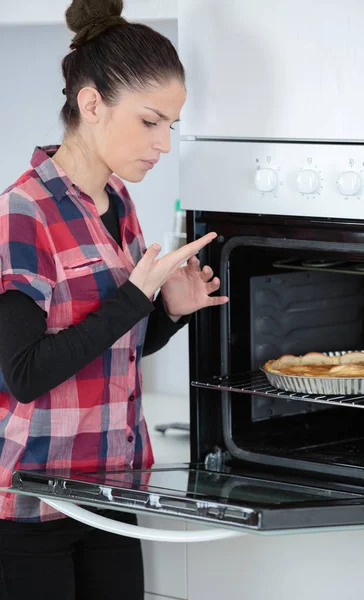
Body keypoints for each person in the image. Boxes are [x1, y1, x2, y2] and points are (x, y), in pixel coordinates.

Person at [0, 1, 228, 598]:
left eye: (171, 126)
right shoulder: (22, 214)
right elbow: (24, 374)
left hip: (112, 490)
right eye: (151, 121)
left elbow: (118, 351)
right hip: (30, 506)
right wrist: (135, 297)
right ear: (92, 104)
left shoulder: (117, 203)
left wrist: (169, 311)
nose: (163, 143)